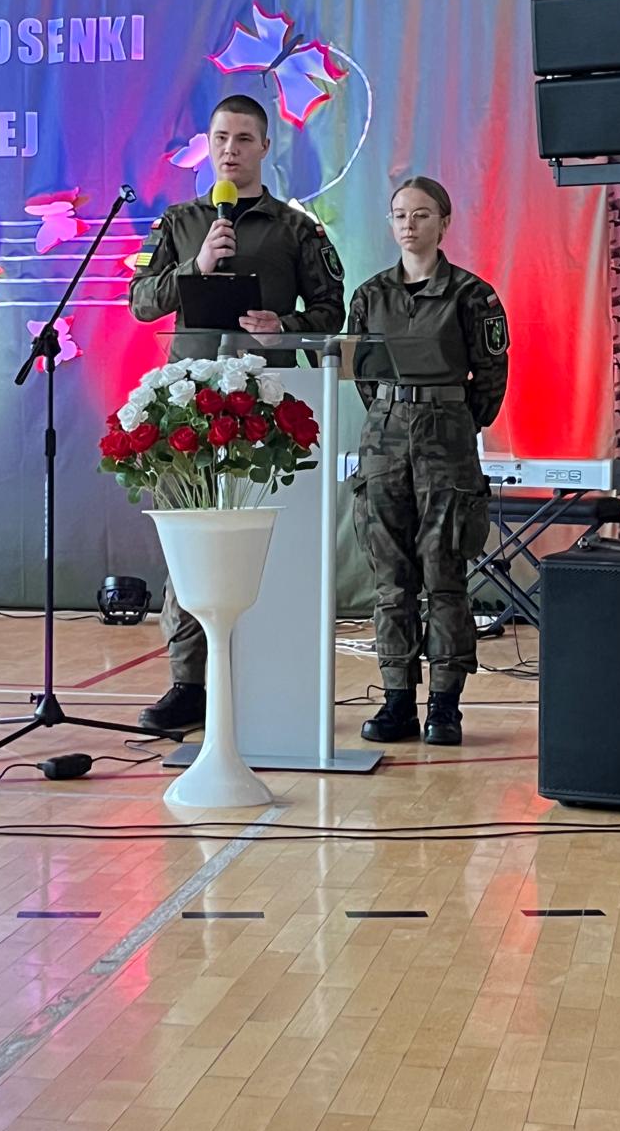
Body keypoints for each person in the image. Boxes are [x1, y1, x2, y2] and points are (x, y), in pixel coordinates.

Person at [127, 93, 346, 733]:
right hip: (188, 405)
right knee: (191, 542)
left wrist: (285, 328)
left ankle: (273, 674)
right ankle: (189, 682)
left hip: (268, 405)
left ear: (265, 147)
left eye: (244, 139)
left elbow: (332, 313)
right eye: (222, 137)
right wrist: (195, 268)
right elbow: (141, 301)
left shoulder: (297, 229)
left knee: (267, 542)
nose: (231, 150)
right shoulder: (180, 222)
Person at [347, 176, 509, 746]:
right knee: (390, 579)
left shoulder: (473, 295)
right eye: (399, 214)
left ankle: (445, 705)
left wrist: (455, 420)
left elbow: (490, 377)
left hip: (448, 435)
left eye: (420, 214)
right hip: (384, 436)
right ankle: (397, 700)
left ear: (444, 222)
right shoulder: (369, 296)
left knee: (445, 575)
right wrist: (393, 414)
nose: (409, 225)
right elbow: (363, 373)